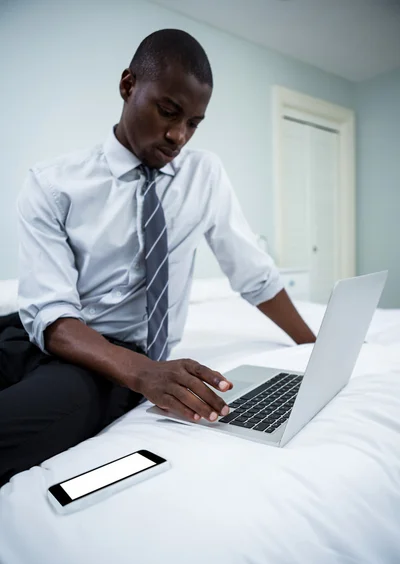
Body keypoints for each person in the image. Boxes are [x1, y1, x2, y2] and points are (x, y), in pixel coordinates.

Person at [0, 29, 315, 487]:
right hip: (32, 332)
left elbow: (254, 275)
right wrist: (147, 374)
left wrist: (314, 346)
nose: (178, 136)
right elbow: (50, 313)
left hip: (104, 360)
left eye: (193, 123)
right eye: (168, 112)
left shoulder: (202, 176)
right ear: (128, 85)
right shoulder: (52, 184)